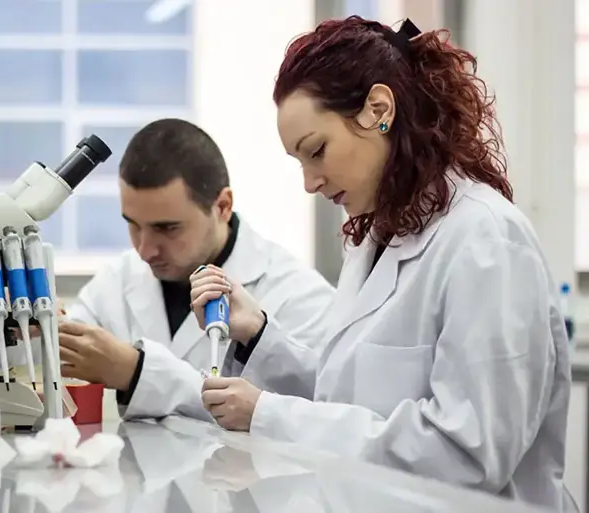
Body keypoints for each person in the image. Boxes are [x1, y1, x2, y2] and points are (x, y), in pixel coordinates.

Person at [189, 17, 577, 512]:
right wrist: (258, 334)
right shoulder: (378, 237)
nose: (310, 183)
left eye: (317, 152)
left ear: (378, 110)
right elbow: (351, 399)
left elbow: (467, 454)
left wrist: (268, 415)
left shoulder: (485, 239)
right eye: (299, 162)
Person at [55, 118, 336, 421]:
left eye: (167, 228)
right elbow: (56, 353)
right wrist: (38, 331)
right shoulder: (119, 278)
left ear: (222, 206)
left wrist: (136, 372)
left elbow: (306, 419)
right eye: (133, 225)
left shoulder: (300, 296)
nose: (145, 250)